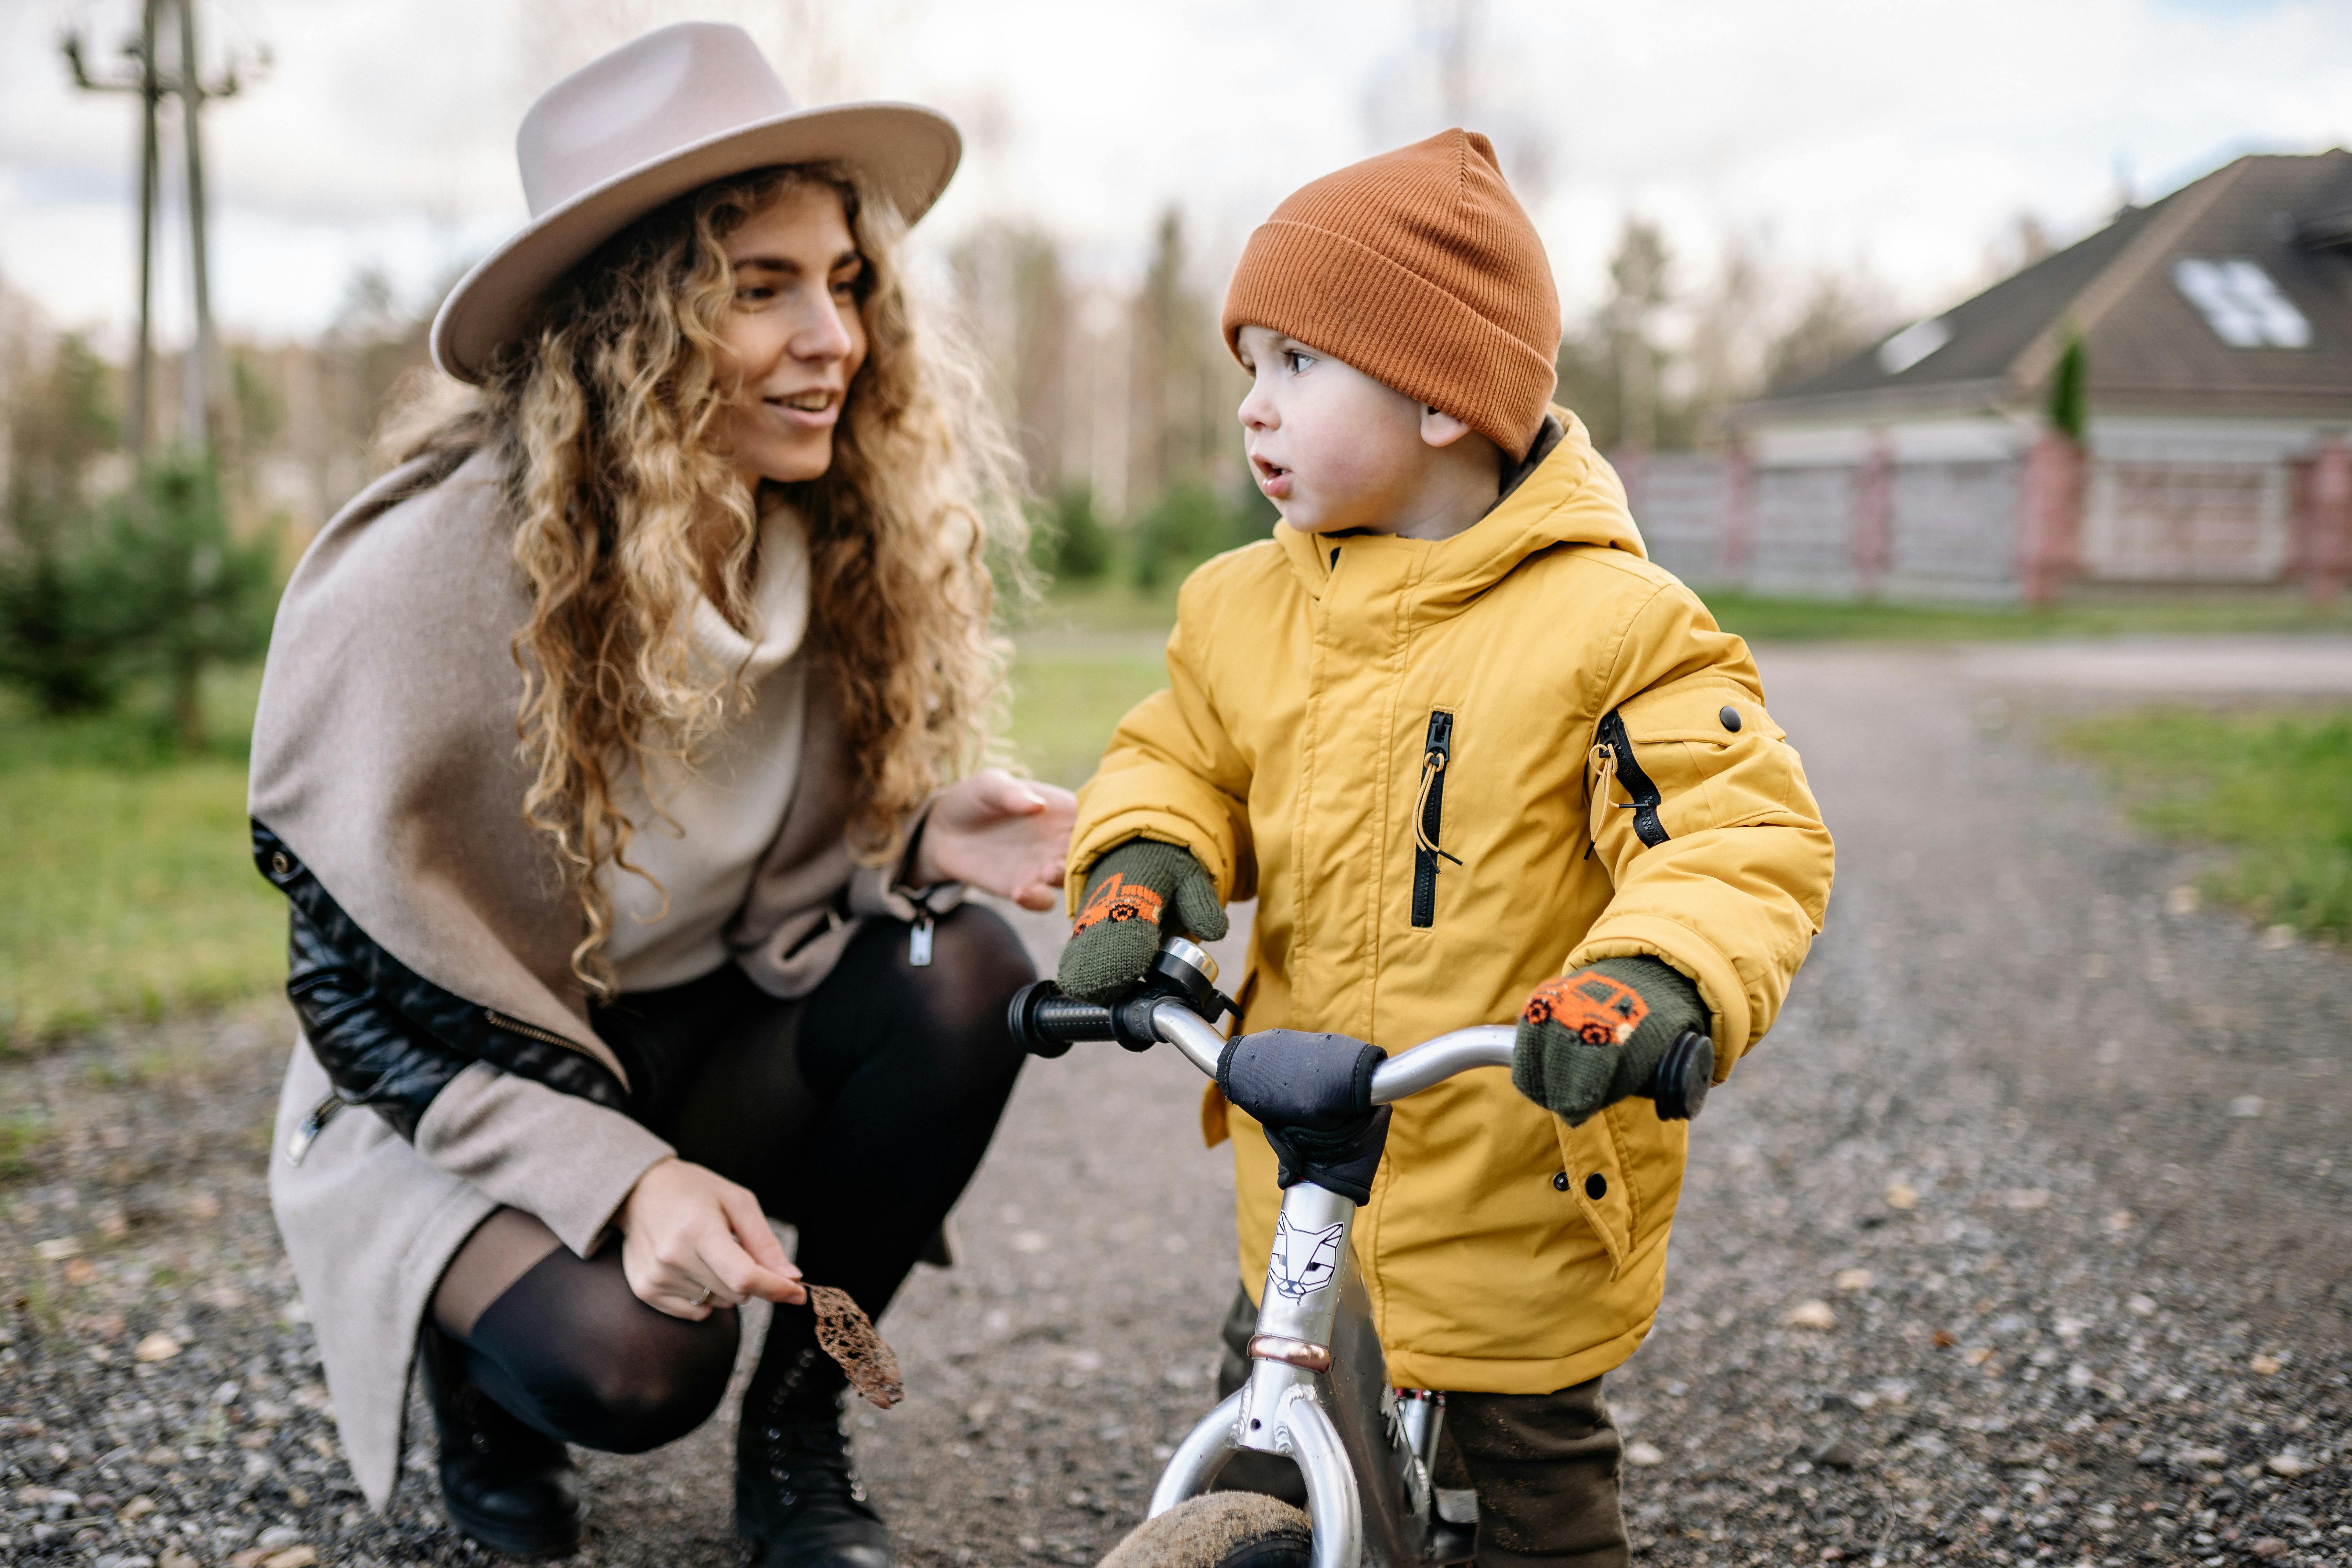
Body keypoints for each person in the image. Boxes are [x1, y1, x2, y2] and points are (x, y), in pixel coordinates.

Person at [249, 24, 1072, 1567]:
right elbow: (349, 998)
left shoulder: (818, 532)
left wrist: (911, 833)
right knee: (636, 1364)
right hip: (461, 1095)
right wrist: (619, 1183)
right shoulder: (425, 578)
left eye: (845, 281)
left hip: (698, 1034)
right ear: (629, 318)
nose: (836, 338)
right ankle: (483, 1380)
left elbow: (742, 853)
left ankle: (802, 1427)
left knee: (962, 972)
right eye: (761, 287)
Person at [1056, 131, 1835, 1567]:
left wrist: (1655, 974)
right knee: (1277, 1445)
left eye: (1296, 364)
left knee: (1530, 1514)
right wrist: (1148, 859)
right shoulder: (1242, 608)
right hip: (1305, 1190)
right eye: (1248, 366)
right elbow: (1178, 754)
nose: (1253, 408)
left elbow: (1737, 830)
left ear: (1436, 396)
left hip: (1511, 1192)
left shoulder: (1613, 625)